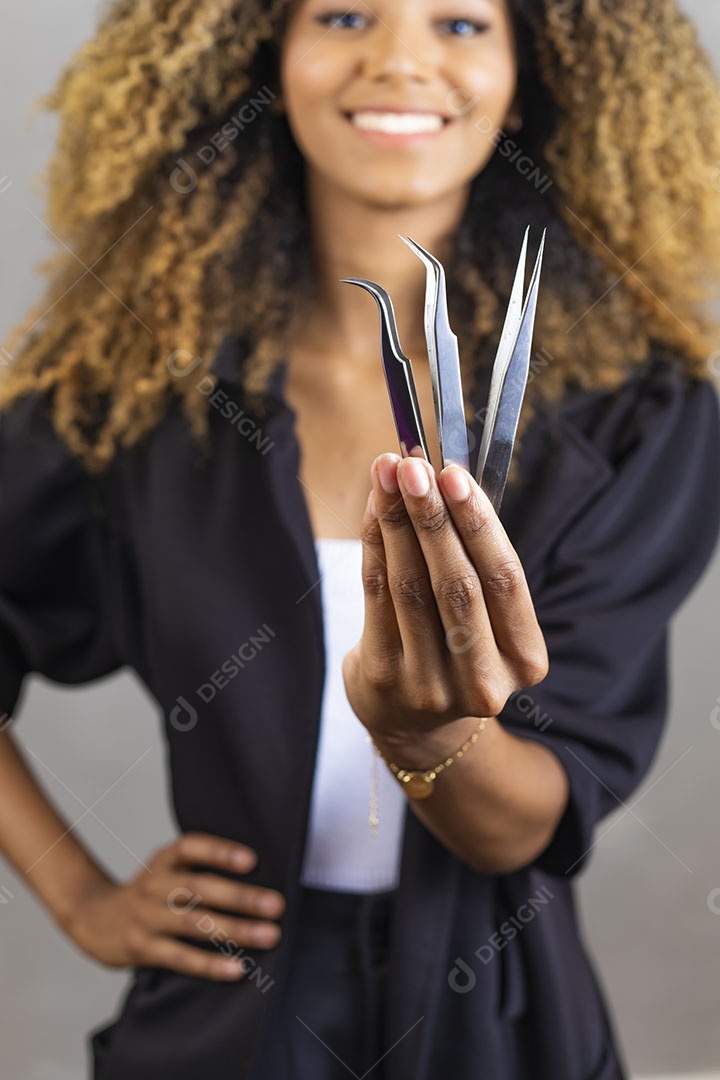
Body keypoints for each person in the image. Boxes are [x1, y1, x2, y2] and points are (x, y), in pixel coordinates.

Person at [1, 0, 720, 1077]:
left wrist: (428, 738)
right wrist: (79, 894)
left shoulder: (641, 415)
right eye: (342, 13)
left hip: (502, 1030)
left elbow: (523, 826)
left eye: (462, 24)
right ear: (264, 58)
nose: (398, 59)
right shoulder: (135, 397)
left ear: (533, 75)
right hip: (220, 1029)